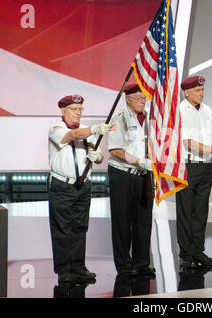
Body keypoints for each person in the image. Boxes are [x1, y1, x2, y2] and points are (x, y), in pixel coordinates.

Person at [48, 94, 113, 284]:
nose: (77, 113)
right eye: (73, 109)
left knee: (80, 227)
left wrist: (96, 157)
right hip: (62, 185)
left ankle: (78, 266)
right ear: (63, 110)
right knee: (62, 228)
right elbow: (71, 136)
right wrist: (94, 129)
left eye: (80, 110)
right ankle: (63, 269)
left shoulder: (87, 131)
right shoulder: (56, 128)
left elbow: (99, 155)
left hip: (83, 185)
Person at [176, 75, 212, 268]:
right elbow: (189, 143)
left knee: (201, 211)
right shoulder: (181, 110)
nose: (201, 93)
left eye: (203, 90)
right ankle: (186, 254)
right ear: (187, 92)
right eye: (197, 90)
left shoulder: (207, 110)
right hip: (188, 165)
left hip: (206, 165)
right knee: (186, 211)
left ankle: (198, 251)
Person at [107, 83, 156, 277]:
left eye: (144, 98)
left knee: (143, 220)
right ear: (128, 99)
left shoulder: (150, 119)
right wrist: (139, 161)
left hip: (143, 175)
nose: (142, 102)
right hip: (123, 174)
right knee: (122, 220)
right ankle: (124, 265)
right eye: (138, 98)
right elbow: (115, 150)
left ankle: (142, 262)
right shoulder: (119, 119)